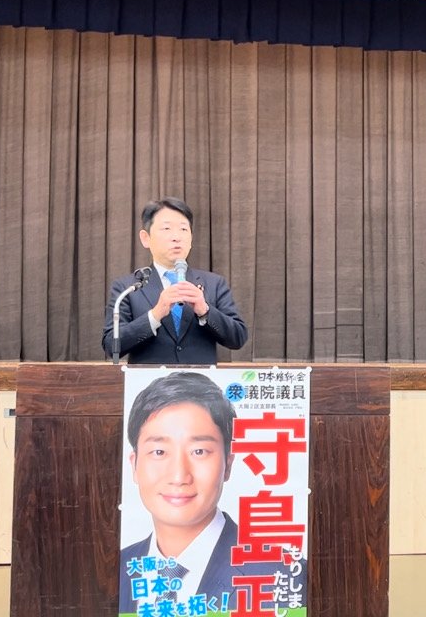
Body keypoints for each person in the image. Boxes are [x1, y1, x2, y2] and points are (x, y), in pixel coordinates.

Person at [119, 372, 292, 614]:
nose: (179, 476)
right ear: (134, 465)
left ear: (228, 465)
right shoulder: (116, 566)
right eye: (159, 452)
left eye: (199, 451)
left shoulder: (282, 574)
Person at [102, 197, 248, 364]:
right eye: (166, 228)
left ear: (191, 238)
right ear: (145, 238)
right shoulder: (127, 287)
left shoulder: (214, 284)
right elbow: (111, 345)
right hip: (150, 380)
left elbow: (238, 338)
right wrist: (155, 315)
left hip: (200, 380)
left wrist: (205, 310)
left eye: (183, 229)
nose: (176, 237)